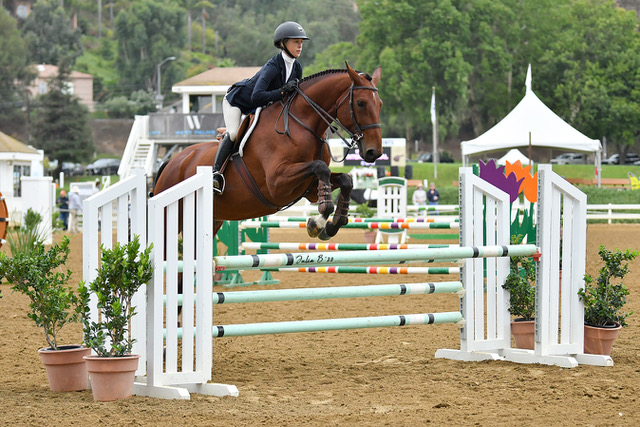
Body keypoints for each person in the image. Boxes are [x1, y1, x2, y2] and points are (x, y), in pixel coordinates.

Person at [212, 21, 310, 194]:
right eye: (296, 42)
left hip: (259, 108)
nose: (300, 46)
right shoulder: (273, 66)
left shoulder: (297, 68)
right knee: (233, 134)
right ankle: (216, 174)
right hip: (237, 102)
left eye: (301, 42)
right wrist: (281, 92)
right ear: (283, 43)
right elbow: (256, 96)